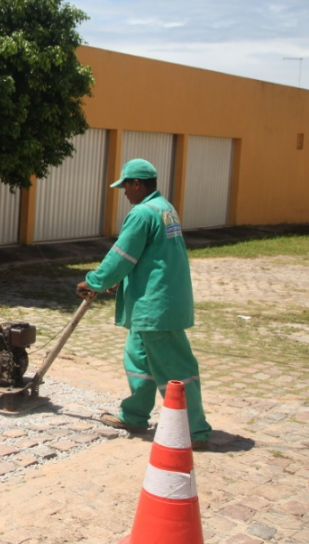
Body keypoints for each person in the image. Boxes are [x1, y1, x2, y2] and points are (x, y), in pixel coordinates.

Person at [75, 158, 212, 450]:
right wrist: (119, 281)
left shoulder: (142, 213)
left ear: (136, 184)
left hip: (156, 306)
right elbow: (149, 257)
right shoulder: (165, 209)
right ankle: (135, 415)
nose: (124, 192)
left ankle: (194, 430)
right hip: (155, 302)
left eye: (125, 186)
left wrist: (96, 280)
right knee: (138, 361)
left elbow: (122, 254)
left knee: (175, 369)